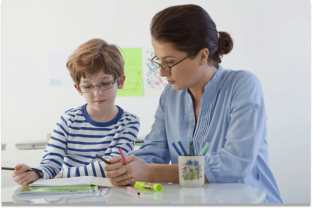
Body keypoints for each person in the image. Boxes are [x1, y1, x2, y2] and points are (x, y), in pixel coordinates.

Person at [104, 4, 283, 203]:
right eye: (158, 61)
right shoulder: (170, 95)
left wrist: (151, 172)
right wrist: (128, 167)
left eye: (169, 62)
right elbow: (153, 151)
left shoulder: (243, 85)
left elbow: (234, 165)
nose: (162, 72)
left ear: (202, 55)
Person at [11, 38, 140, 185]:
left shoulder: (129, 122)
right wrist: (35, 173)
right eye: (87, 86)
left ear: (121, 81)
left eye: (105, 83)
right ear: (78, 88)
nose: (97, 93)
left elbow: (114, 166)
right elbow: (51, 163)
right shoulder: (68, 119)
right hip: (72, 195)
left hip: (111, 195)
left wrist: (65, 175)